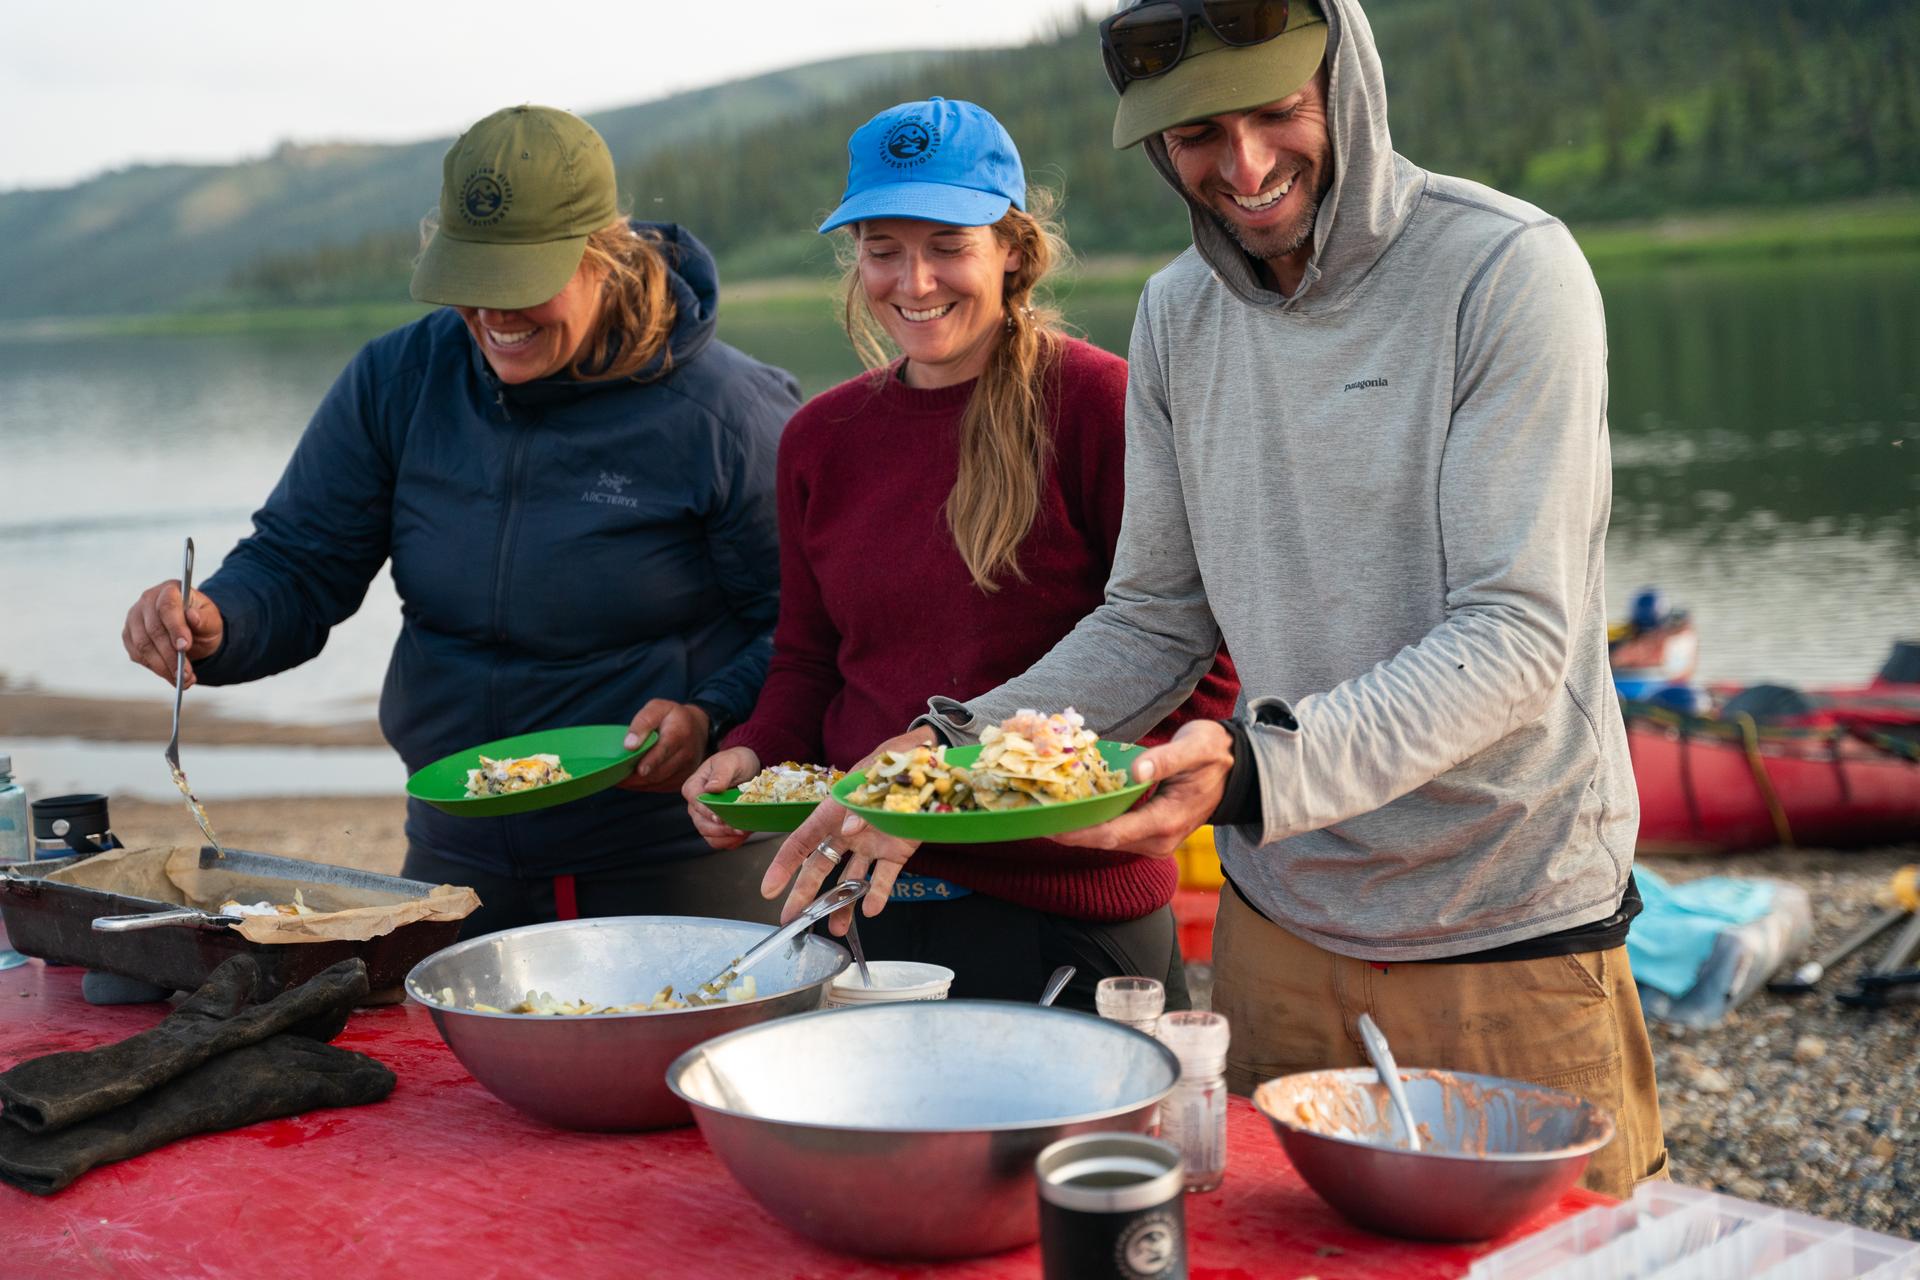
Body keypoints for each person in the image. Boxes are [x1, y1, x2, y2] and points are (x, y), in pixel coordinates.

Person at [767, 1, 1666, 1197]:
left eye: (1276, 112)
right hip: (1276, 917)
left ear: (1342, 87)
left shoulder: (1504, 268)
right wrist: (946, 749)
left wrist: (1247, 772)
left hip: (1499, 916)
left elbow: (1517, 636)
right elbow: (1152, 620)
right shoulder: (1177, 315)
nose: (1241, 165)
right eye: (1198, 129)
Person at [120, 105, 799, 939]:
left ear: (604, 255)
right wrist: (218, 621)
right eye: (471, 283)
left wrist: (712, 716)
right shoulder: (398, 380)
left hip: (676, 860)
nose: (494, 315)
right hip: (457, 856)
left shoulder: (727, 413)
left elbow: (809, 628)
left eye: (521, 287)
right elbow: (301, 560)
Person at [681, 97, 1237, 1013]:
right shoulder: (821, 437)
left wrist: (1126, 791)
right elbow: (810, 659)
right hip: (861, 901)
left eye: (948, 244)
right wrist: (754, 755)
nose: (914, 279)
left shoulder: (1103, 405)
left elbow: (1198, 654)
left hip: (1063, 906)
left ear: (1012, 247)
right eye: (882, 248)